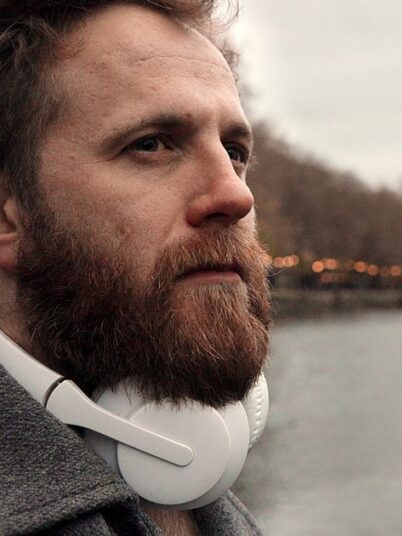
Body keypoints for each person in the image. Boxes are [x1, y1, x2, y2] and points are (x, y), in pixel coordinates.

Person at [0, 1, 272, 534]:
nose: (236, 195)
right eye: (150, 145)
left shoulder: (192, 491)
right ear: (9, 215)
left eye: (234, 151)